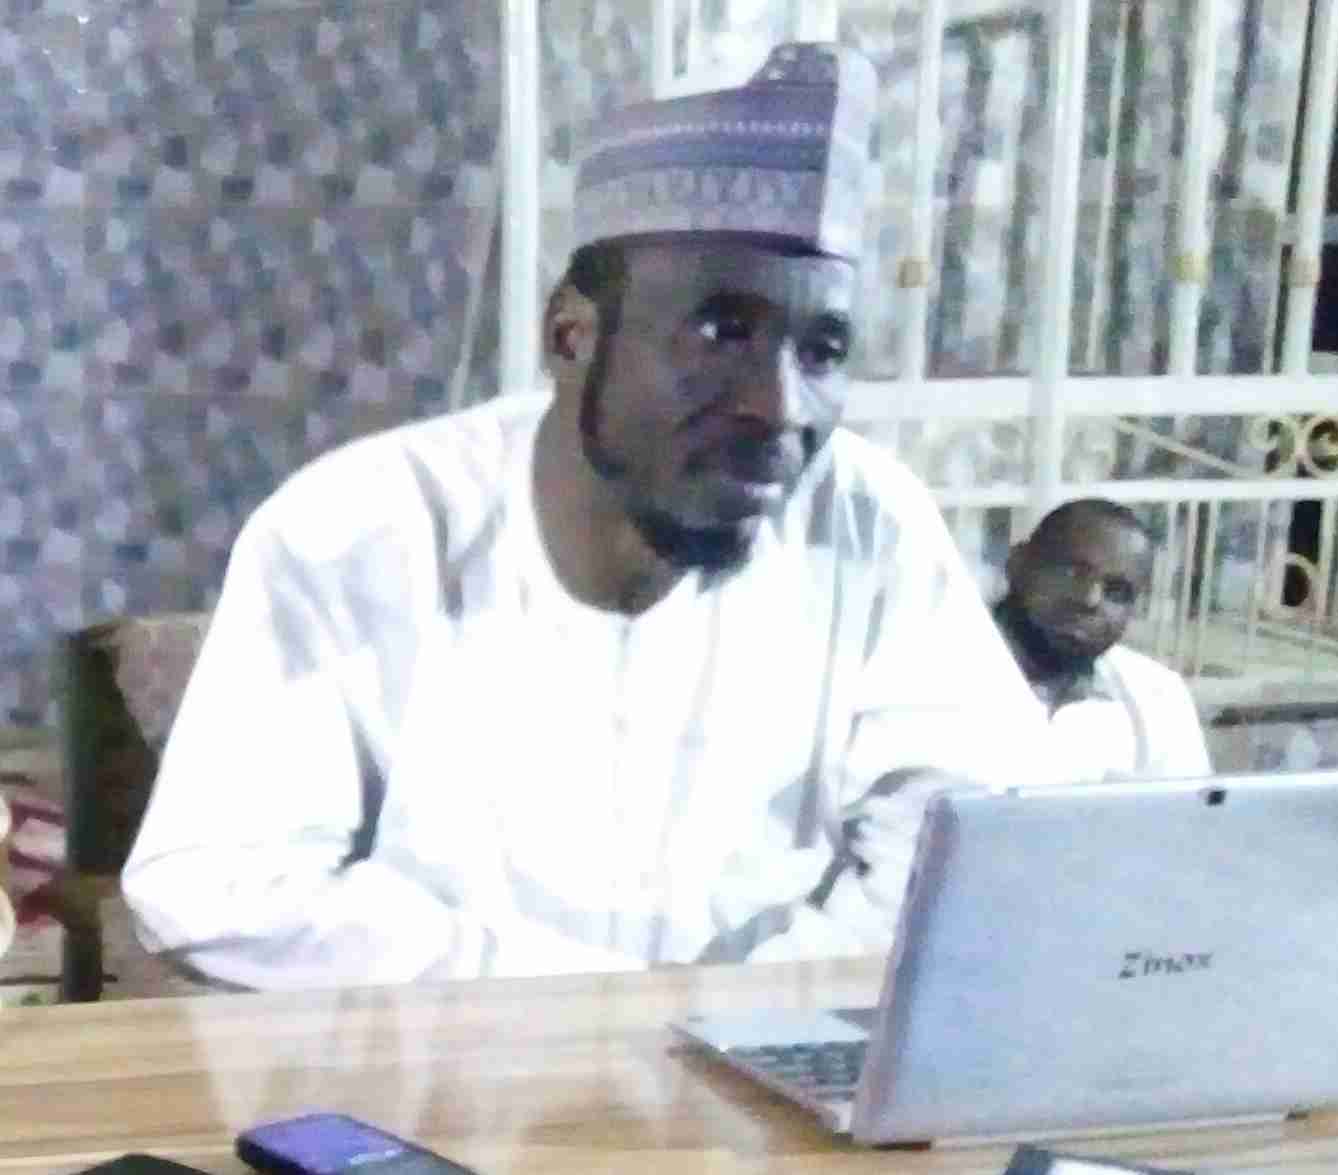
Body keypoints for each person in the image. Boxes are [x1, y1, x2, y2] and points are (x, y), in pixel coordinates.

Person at [122, 44, 1044, 990]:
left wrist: (743, 1009)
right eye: (721, 332)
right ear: (571, 335)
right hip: (436, 1065)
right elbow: (217, 884)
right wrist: (592, 1006)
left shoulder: (870, 521)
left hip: (765, 1055)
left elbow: (979, 843)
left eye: (823, 349)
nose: (778, 407)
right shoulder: (359, 523)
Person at [994, 499, 1211, 783]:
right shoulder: (940, 671)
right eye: (1071, 573)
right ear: (1018, 565)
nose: (1090, 599)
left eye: (1117, 592)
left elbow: (1185, 809)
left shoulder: (1159, 697)